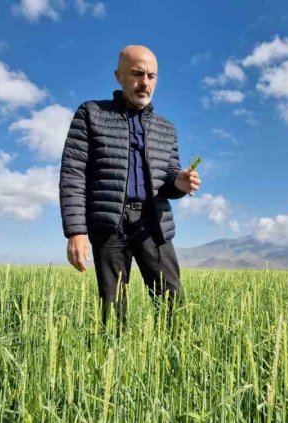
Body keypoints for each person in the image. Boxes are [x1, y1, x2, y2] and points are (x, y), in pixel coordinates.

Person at [59, 45, 201, 332]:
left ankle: (174, 365)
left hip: (154, 223)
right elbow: (73, 173)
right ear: (118, 76)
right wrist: (76, 231)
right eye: (137, 74)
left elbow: (168, 177)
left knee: (172, 301)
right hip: (110, 223)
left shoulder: (166, 128)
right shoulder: (91, 114)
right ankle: (113, 367)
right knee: (112, 311)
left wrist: (179, 183)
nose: (144, 82)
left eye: (151, 75)